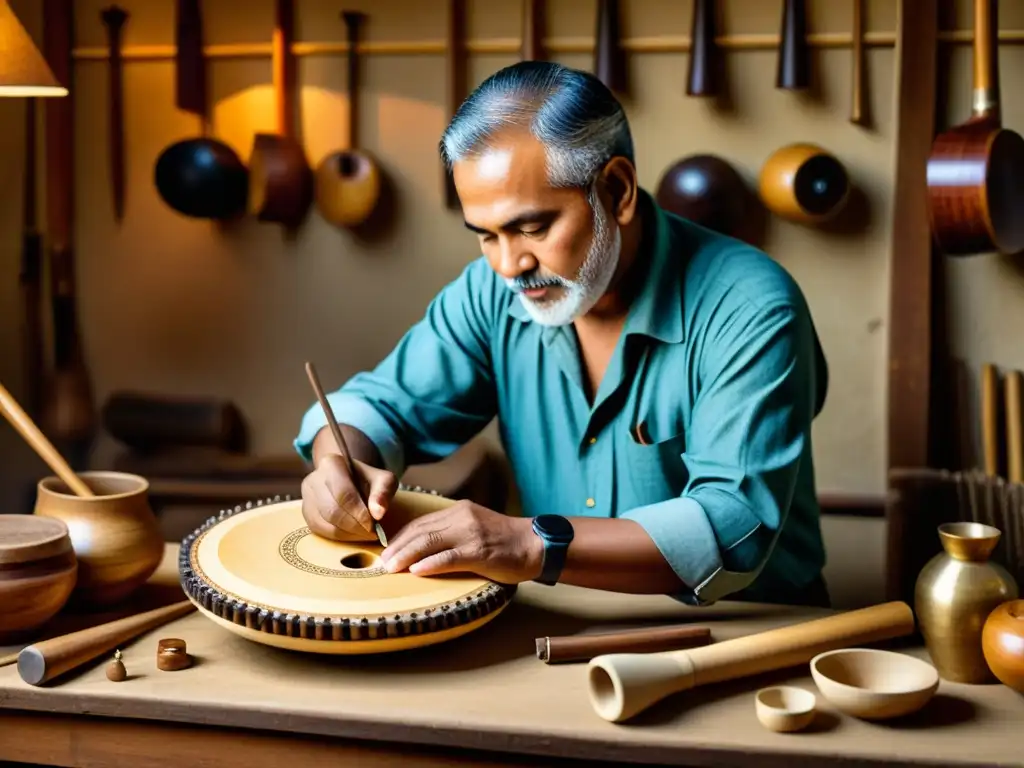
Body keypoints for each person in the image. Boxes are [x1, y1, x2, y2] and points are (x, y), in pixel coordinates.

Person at [294, 60, 831, 608]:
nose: (509, 264)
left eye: (532, 227)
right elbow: (379, 406)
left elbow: (730, 527)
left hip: (752, 638)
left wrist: (528, 541)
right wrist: (338, 462)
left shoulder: (751, 306)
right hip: (555, 628)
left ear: (617, 190)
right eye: (485, 235)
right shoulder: (491, 291)